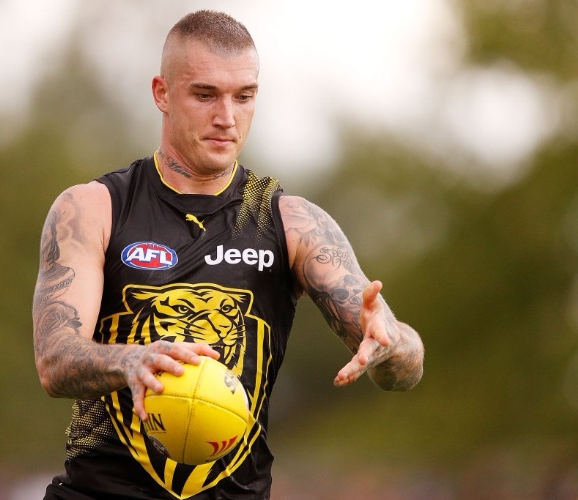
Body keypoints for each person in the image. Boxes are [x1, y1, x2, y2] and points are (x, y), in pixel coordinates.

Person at [32, 9, 424, 500]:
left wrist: (391, 348)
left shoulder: (291, 222)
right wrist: (131, 360)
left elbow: (404, 364)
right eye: (205, 95)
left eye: (244, 96)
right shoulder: (94, 208)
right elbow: (55, 358)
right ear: (161, 93)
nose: (227, 117)